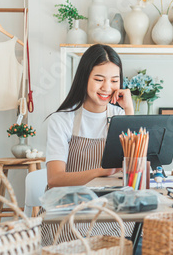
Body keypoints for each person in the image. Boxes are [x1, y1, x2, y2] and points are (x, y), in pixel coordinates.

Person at [42, 44, 134, 246]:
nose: (107, 87)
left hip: (110, 208)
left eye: (114, 81)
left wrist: (129, 110)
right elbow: (55, 179)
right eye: (99, 79)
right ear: (85, 78)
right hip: (69, 210)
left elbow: (135, 163)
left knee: (137, 234)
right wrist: (101, 171)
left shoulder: (120, 116)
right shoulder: (62, 120)